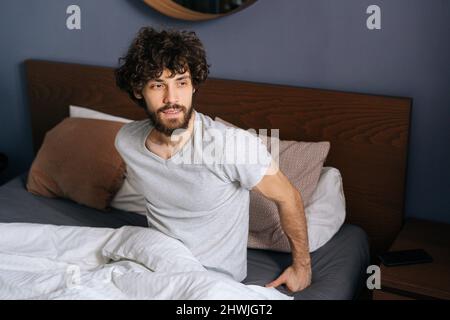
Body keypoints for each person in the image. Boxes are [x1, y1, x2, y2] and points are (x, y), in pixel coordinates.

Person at [114, 27, 311, 293]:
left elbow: (289, 198)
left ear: (194, 85)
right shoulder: (126, 141)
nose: (171, 98)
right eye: (158, 85)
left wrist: (302, 267)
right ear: (139, 90)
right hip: (154, 267)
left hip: (211, 282)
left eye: (181, 82)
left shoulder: (233, 145)